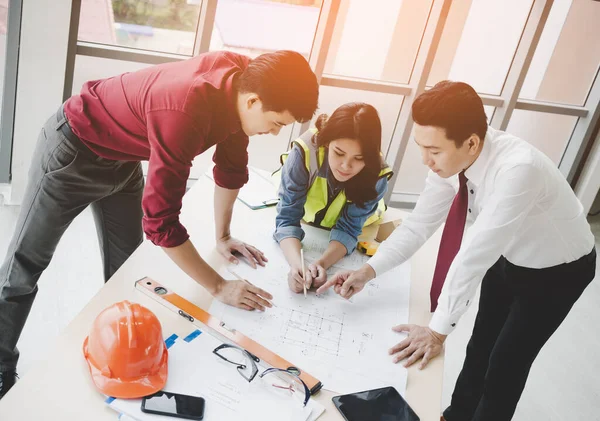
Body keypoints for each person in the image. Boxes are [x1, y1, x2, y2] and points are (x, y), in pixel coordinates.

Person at [0, 50, 319, 399]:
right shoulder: (186, 111)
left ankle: (118, 353)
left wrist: (223, 236)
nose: (274, 132)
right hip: (73, 152)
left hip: (123, 160)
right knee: (25, 266)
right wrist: (218, 286)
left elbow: (230, 166)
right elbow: (162, 223)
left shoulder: (244, 81)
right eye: (277, 122)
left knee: (125, 267)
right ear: (254, 101)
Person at [317, 81, 596, 421]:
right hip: (507, 256)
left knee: (506, 363)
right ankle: (456, 415)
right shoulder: (452, 161)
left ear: (472, 143)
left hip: (557, 271)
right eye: (422, 147)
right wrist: (367, 271)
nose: (425, 160)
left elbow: (473, 255)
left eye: (432, 150)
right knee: (480, 347)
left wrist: (436, 331)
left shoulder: (518, 170)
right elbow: (420, 225)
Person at [274, 103, 392, 293]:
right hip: (308, 221)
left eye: (359, 158)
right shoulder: (304, 153)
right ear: (327, 142)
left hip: (364, 225)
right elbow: (287, 218)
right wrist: (297, 265)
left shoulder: (377, 173)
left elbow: (349, 229)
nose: (346, 166)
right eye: (339, 153)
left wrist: (322, 263)